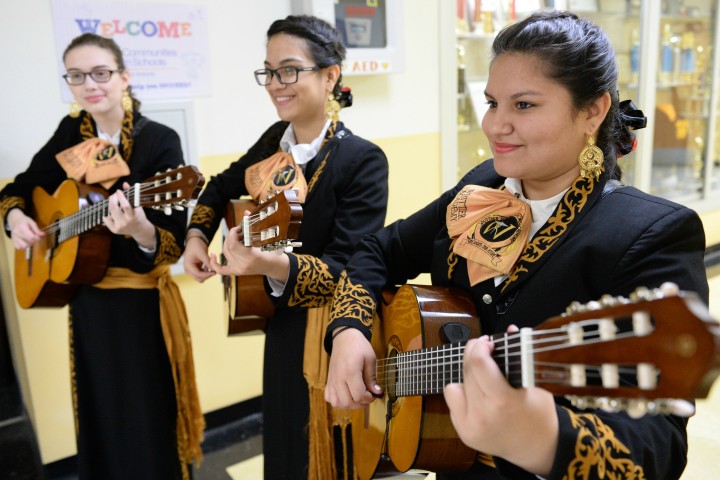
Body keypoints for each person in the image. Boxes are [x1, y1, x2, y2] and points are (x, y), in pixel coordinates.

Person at [324, 11, 709, 480]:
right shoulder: (481, 188)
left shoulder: (649, 234)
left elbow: (659, 448)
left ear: (593, 110)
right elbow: (379, 251)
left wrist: (545, 439)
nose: (495, 126)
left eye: (523, 105)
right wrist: (348, 330)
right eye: (492, 103)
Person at [183, 15, 389, 479]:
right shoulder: (272, 145)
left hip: (329, 334)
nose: (276, 84)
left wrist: (266, 263)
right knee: (280, 442)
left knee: (319, 452)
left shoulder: (362, 160)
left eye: (290, 69)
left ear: (330, 75)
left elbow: (345, 268)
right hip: (278, 327)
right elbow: (218, 187)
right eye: (269, 71)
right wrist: (197, 236)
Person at [0, 33, 204, 480]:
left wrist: (139, 228)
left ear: (124, 77)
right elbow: (19, 187)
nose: (89, 84)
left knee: (147, 411)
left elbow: (168, 242)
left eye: (100, 73)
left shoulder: (158, 141)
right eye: (76, 76)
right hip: (87, 299)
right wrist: (16, 219)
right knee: (100, 411)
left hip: (139, 306)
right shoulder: (72, 132)